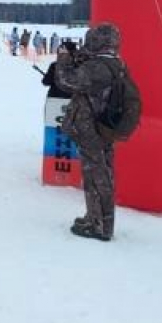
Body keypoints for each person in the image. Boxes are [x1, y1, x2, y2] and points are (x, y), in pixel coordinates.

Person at [53, 23, 128, 241]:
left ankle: (100, 226)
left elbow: (66, 82)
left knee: (97, 175)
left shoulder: (98, 67)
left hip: (91, 127)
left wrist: (64, 59)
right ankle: (95, 217)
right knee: (100, 173)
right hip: (104, 126)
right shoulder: (115, 63)